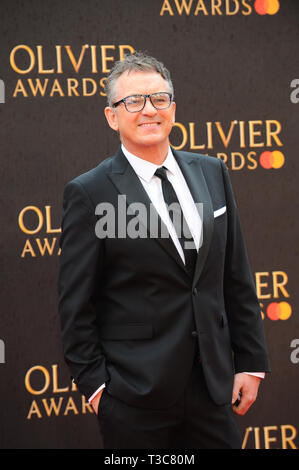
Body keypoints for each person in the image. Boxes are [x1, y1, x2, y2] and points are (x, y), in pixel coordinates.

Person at [58, 52, 270, 449]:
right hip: (134, 398)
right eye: (133, 101)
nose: (148, 110)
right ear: (112, 116)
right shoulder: (90, 192)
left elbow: (234, 274)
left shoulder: (211, 171)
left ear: (173, 108)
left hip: (213, 387)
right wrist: (98, 391)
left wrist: (251, 362)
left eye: (159, 98)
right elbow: (75, 306)